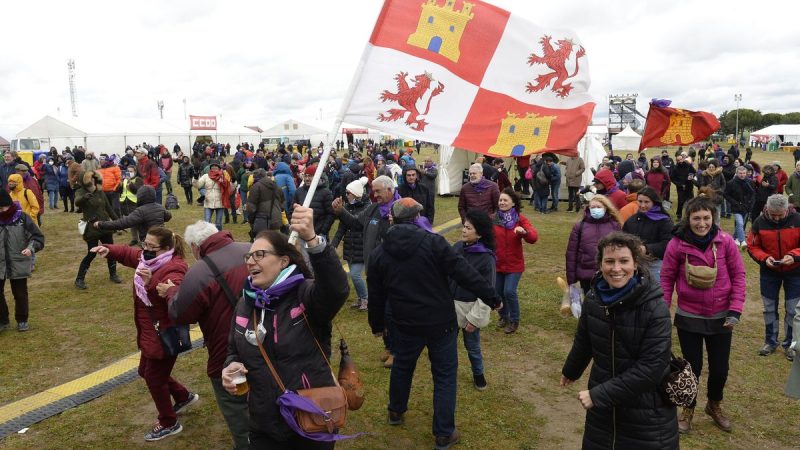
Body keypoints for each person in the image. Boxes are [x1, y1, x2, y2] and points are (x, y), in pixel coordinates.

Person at [368, 198, 500, 450]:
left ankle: (396, 411)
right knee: (445, 376)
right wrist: (492, 297)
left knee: (402, 368)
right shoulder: (433, 243)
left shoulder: (379, 254)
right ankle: (443, 432)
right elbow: (463, 271)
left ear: (393, 220)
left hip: (406, 323)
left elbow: (376, 296)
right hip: (440, 322)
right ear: (418, 218)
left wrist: (377, 325)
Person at [221, 205, 349, 449]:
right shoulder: (245, 303)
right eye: (249, 256)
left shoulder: (304, 295)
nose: (250, 262)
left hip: (310, 417)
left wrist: (313, 240)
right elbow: (233, 351)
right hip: (264, 423)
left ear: (283, 261)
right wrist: (230, 366)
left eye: (260, 255)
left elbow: (336, 290)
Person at [561, 232, 677, 449]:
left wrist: (599, 395)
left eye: (624, 261)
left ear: (635, 264)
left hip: (645, 411)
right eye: (609, 261)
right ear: (600, 264)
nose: (616, 269)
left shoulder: (655, 308)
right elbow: (585, 339)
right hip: (603, 410)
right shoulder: (594, 299)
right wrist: (571, 369)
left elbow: (652, 367)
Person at [91, 227, 198, 441]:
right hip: (150, 330)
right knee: (144, 371)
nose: (145, 250)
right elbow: (131, 254)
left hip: (165, 332)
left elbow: (176, 298)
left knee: (153, 377)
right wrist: (109, 249)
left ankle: (169, 422)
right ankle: (182, 396)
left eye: (151, 247)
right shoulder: (148, 260)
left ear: (167, 248)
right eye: (145, 245)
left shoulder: (175, 268)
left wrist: (150, 284)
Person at [661, 196, 746, 433]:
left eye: (706, 218)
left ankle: (714, 404)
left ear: (713, 218)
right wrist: (662, 310)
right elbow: (666, 278)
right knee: (692, 369)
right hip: (689, 316)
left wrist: (735, 309)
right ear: (688, 219)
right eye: (696, 218)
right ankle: (688, 409)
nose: (701, 223)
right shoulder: (676, 244)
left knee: (720, 369)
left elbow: (739, 276)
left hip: (722, 317)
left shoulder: (726, 242)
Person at [166, 221, 251, 449]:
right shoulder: (252, 250)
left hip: (227, 351)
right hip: (265, 342)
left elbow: (180, 313)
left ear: (195, 246)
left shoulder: (200, 271)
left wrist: (172, 291)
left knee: (237, 408)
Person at [332, 175, 397, 366]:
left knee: (393, 311)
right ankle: (388, 345)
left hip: (394, 270)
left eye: (378, 191)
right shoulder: (374, 209)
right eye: (373, 191)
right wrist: (340, 211)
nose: (374, 195)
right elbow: (355, 223)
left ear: (390, 190)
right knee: (380, 310)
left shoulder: (401, 209)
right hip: (375, 268)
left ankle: (397, 350)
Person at [747, 194, 800, 361]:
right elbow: (752, 246)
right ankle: (770, 341)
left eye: (780, 214)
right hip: (769, 272)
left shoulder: (798, 219)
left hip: (795, 271)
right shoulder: (759, 221)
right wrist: (764, 258)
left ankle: (790, 344)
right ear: (767, 209)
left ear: (787, 209)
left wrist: (794, 255)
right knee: (769, 308)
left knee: (792, 310)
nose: (776, 218)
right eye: (773, 214)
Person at [451, 209, 495, 390]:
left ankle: (478, 374)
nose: (463, 230)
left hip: (470, 310)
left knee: (473, 347)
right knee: (448, 347)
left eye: (468, 228)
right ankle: (448, 373)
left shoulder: (486, 258)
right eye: (464, 226)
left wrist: (474, 318)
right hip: (450, 308)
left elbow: (488, 292)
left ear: (479, 233)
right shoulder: (456, 248)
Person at [493, 187, 538, 334]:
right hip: (497, 263)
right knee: (498, 293)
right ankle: (503, 316)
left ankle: (514, 320)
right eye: (500, 200)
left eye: (505, 200)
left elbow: (533, 237)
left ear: (513, 203)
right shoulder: (493, 219)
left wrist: (524, 232)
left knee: (509, 292)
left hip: (514, 264)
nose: (502, 202)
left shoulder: (519, 219)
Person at [0, 190, 44, 332]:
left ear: (9, 205)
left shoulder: (22, 218)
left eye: (1, 208)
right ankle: (2, 320)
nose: (0, 211)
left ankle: (22, 319)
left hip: (18, 260)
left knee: (20, 293)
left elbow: (38, 238)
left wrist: (31, 248)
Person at [565, 194, 623, 294]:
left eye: (599, 207)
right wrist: (571, 281)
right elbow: (571, 254)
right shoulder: (580, 227)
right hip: (586, 276)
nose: (595, 209)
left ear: (606, 208)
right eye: (593, 207)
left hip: (609, 274)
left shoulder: (615, 226)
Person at [75, 171, 121, 289]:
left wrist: (118, 223)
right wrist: (84, 198)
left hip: (105, 226)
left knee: (111, 251)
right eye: (92, 180)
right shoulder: (80, 192)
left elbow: (109, 209)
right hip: (91, 229)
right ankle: (79, 279)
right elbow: (77, 202)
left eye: (95, 180)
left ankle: (113, 274)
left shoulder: (100, 192)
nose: (94, 182)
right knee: (91, 254)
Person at [332, 177, 371, 311]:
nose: (346, 195)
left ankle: (366, 298)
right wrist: (333, 244)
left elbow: (356, 222)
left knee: (354, 274)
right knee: (354, 276)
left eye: (348, 193)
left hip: (361, 247)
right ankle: (360, 298)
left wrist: (341, 211)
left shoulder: (367, 207)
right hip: (350, 247)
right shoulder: (348, 207)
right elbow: (341, 228)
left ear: (355, 193)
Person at [622, 187, 674, 281]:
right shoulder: (631, 220)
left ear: (654, 202)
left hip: (655, 263)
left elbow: (669, 244)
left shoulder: (664, 221)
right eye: (640, 201)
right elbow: (623, 238)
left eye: (646, 202)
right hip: (634, 263)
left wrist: (646, 249)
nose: (642, 205)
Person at [95, 185, 172, 246]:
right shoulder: (159, 207)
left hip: (149, 242)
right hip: (162, 238)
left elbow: (122, 223)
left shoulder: (140, 211)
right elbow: (168, 216)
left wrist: (101, 224)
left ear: (140, 196)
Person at [294, 164, 335, 241]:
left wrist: (323, 231)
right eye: (305, 176)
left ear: (316, 177)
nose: (307, 178)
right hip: (301, 235)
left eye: (310, 176)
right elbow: (292, 211)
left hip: (318, 235)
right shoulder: (299, 192)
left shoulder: (326, 193)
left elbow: (331, 214)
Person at [246, 168, 285, 236]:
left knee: (262, 244)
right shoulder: (276, 186)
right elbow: (282, 204)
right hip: (276, 220)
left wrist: (251, 221)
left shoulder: (255, 187)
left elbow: (250, 208)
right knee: (275, 244)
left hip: (262, 222)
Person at [194, 161, 231, 231]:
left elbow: (228, 186)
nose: (214, 169)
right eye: (212, 168)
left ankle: (219, 237)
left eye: (216, 168)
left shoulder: (223, 176)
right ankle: (208, 237)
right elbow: (198, 185)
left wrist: (224, 181)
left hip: (220, 202)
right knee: (207, 222)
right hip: (208, 201)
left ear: (219, 169)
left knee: (218, 224)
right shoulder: (206, 176)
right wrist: (195, 178)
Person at [724, 165, 755, 247]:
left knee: (740, 224)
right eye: (740, 173)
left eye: (744, 173)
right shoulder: (731, 183)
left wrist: (750, 204)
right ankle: (742, 241)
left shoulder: (750, 182)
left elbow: (753, 194)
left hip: (746, 207)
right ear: (737, 173)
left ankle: (734, 238)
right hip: (736, 207)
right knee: (740, 223)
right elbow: (726, 195)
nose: (742, 175)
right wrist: (734, 203)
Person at [670, 154, 696, 220]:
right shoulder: (675, 168)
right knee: (681, 201)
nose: (680, 161)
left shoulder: (688, 165)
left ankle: (692, 215)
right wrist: (679, 184)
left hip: (689, 186)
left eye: (681, 159)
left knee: (691, 201)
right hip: (680, 188)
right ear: (676, 161)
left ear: (683, 159)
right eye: (678, 160)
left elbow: (694, 172)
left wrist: (691, 176)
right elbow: (672, 178)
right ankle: (679, 216)